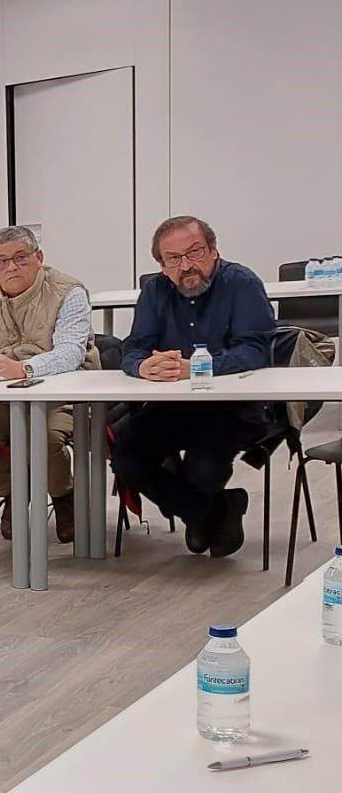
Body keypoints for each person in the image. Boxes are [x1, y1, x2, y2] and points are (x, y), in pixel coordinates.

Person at [112, 215, 277, 558]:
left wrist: (199, 368)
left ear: (214, 249)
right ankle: (216, 510)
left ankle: (202, 512)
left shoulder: (241, 283)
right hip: (172, 405)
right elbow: (134, 346)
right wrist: (144, 366)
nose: (186, 265)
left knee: (203, 468)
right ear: (161, 265)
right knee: (125, 454)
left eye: (195, 252)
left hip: (234, 406)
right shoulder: (154, 290)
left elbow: (254, 350)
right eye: (173, 259)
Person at [0, 226, 96, 543]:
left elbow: (71, 352)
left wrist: (24, 367)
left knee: (43, 437)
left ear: (39, 258)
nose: (11, 267)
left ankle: (64, 496)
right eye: (2, 261)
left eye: (21, 258)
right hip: (2, 392)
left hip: (62, 390)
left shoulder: (69, 292)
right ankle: (14, 491)